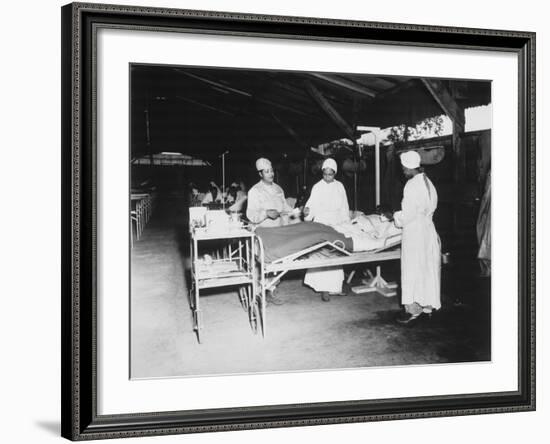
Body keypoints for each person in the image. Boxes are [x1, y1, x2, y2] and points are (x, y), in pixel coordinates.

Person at [393, 151, 441, 324]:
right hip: (428, 231)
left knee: (411, 269)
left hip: (414, 232)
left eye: (403, 168)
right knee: (426, 269)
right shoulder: (428, 182)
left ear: (407, 167)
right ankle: (427, 306)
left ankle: (412, 309)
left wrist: (396, 217)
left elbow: (408, 215)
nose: (403, 171)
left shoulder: (411, 185)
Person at [303, 158, 350, 301]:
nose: (328, 177)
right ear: (322, 172)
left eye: (331, 174)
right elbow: (311, 206)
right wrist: (307, 212)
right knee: (323, 255)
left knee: (336, 254)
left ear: (335, 173)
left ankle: (335, 287)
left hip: (336, 223)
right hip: (322, 224)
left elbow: (344, 207)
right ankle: (323, 288)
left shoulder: (340, 186)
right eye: (325, 174)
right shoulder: (317, 187)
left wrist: (345, 223)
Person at [246, 158, 297, 228]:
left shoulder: (278, 189)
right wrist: (266, 214)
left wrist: (297, 212)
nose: (271, 174)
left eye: (272, 171)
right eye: (267, 172)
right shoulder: (254, 191)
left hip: (279, 229)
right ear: (260, 174)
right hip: (263, 230)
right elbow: (251, 215)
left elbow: (285, 208)